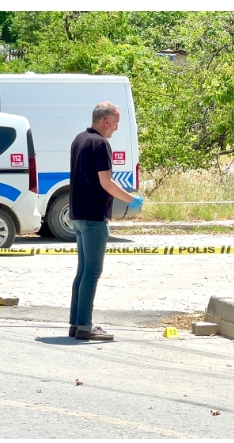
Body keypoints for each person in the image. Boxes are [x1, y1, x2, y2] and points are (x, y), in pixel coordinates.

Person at [68, 101, 143, 340]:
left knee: (82, 271)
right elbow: (107, 182)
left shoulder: (79, 139)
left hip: (78, 214)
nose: (116, 129)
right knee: (92, 271)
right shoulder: (100, 144)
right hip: (93, 217)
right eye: (116, 124)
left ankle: (76, 323)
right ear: (106, 121)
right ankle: (85, 327)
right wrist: (131, 199)